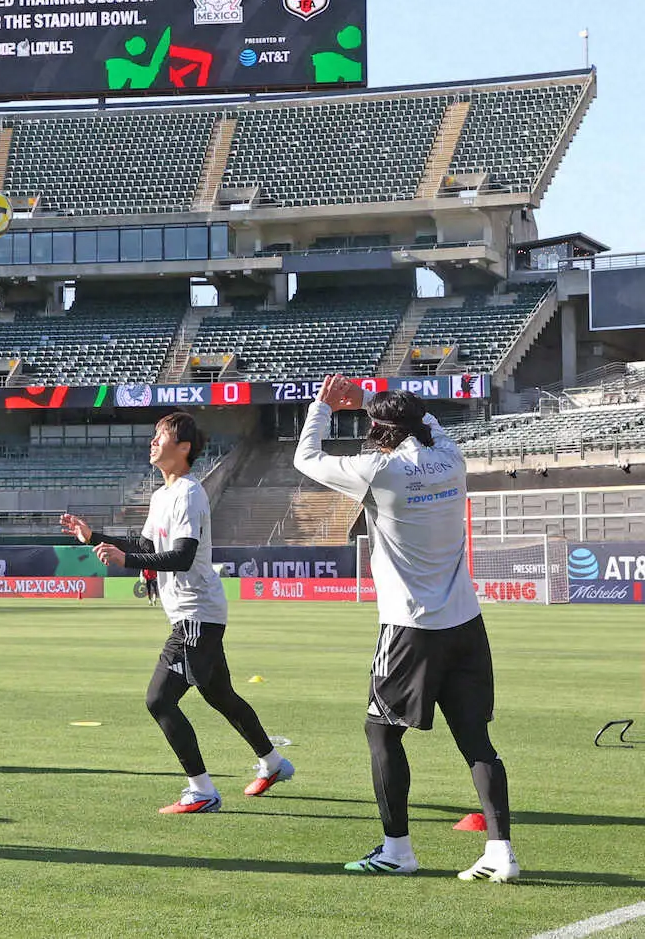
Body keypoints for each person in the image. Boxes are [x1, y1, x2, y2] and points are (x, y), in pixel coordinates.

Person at [294, 375, 518, 882]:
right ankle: (500, 851)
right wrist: (374, 402)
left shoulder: (378, 470)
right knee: (476, 740)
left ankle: (397, 850)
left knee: (381, 732)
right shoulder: (452, 459)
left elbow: (306, 459)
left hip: (409, 627)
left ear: (378, 432)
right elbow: (429, 424)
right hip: (466, 623)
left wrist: (322, 407)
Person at [60, 412, 293, 814]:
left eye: (161, 436)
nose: (152, 442)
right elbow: (147, 546)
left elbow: (182, 556)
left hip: (195, 615)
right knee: (220, 696)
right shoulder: (162, 495)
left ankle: (202, 791)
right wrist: (93, 536)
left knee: (159, 700)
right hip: (195, 614)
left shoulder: (189, 493)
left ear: (183, 448)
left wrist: (126, 560)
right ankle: (273, 763)